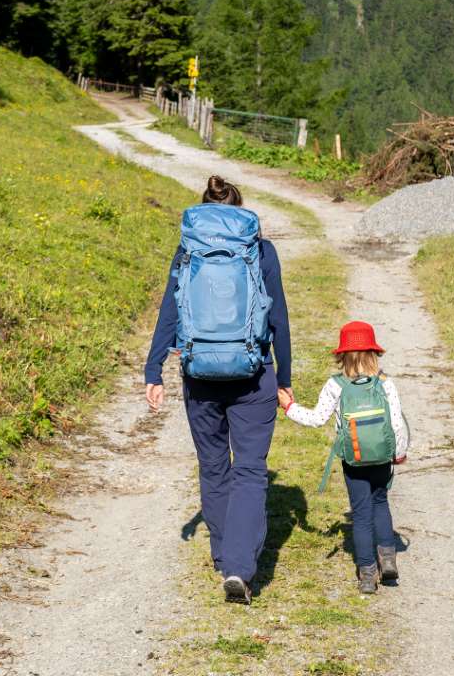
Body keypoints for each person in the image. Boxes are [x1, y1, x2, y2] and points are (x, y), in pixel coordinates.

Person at [145, 175, 292, 605]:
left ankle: (222, 554)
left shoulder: (189, 251)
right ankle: (239, 567)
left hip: (199, 375)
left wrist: (153, 370)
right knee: (249, 469)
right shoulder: (260, 250)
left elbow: (170, 309)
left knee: (213, 466)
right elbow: (278, 317)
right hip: (253, 373)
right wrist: (284, 379)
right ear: (240, 211)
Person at [278, 320, 408, 594]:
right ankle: (387, 560)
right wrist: (399, 453)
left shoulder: (335, 385)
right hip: (382, 459)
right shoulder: (385, 383)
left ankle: (367, 574)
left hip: (354, 460)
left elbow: (316, 418)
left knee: (360, 515)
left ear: (341, 356)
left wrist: (289, 407)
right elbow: (396, 423)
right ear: (374, 353)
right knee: (380, 503)